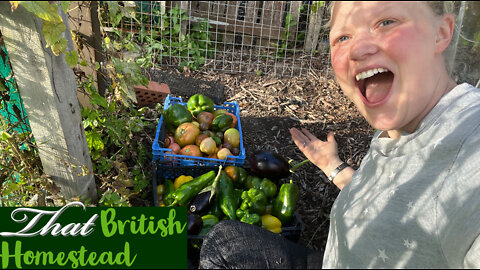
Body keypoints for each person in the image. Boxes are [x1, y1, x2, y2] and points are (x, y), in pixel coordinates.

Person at [199, 1, 480, 268]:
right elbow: (391, 199)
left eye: (386, 22)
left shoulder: (469, 144)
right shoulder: (399, 126)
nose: (358, 49)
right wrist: (334, 167)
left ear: (441, 34)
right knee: (224, 242)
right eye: (342, 37)